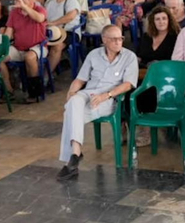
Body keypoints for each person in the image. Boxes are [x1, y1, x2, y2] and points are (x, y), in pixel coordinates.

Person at [53, 25, 138, 181]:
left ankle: (72, 159)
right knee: (73, 102)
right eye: (114, 39)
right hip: (88, 93)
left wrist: (107, 95)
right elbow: (80, 79)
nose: (118, 42)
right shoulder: (93, 54)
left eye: (121, 38)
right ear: (104, 40)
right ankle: (75, 154)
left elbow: (128, 84)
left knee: (70, 113)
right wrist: (71, 92)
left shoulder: (129, 57)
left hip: (109, 98)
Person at [2, 0, 48, 101]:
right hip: (18, 47)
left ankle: (35, 93)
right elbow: (9, 31)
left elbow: (39, 18)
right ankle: (9, 90)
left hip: (37, 46)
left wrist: (25, 7)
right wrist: (2, 47)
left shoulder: (39, 9)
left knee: (30, 57)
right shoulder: (14, 12)